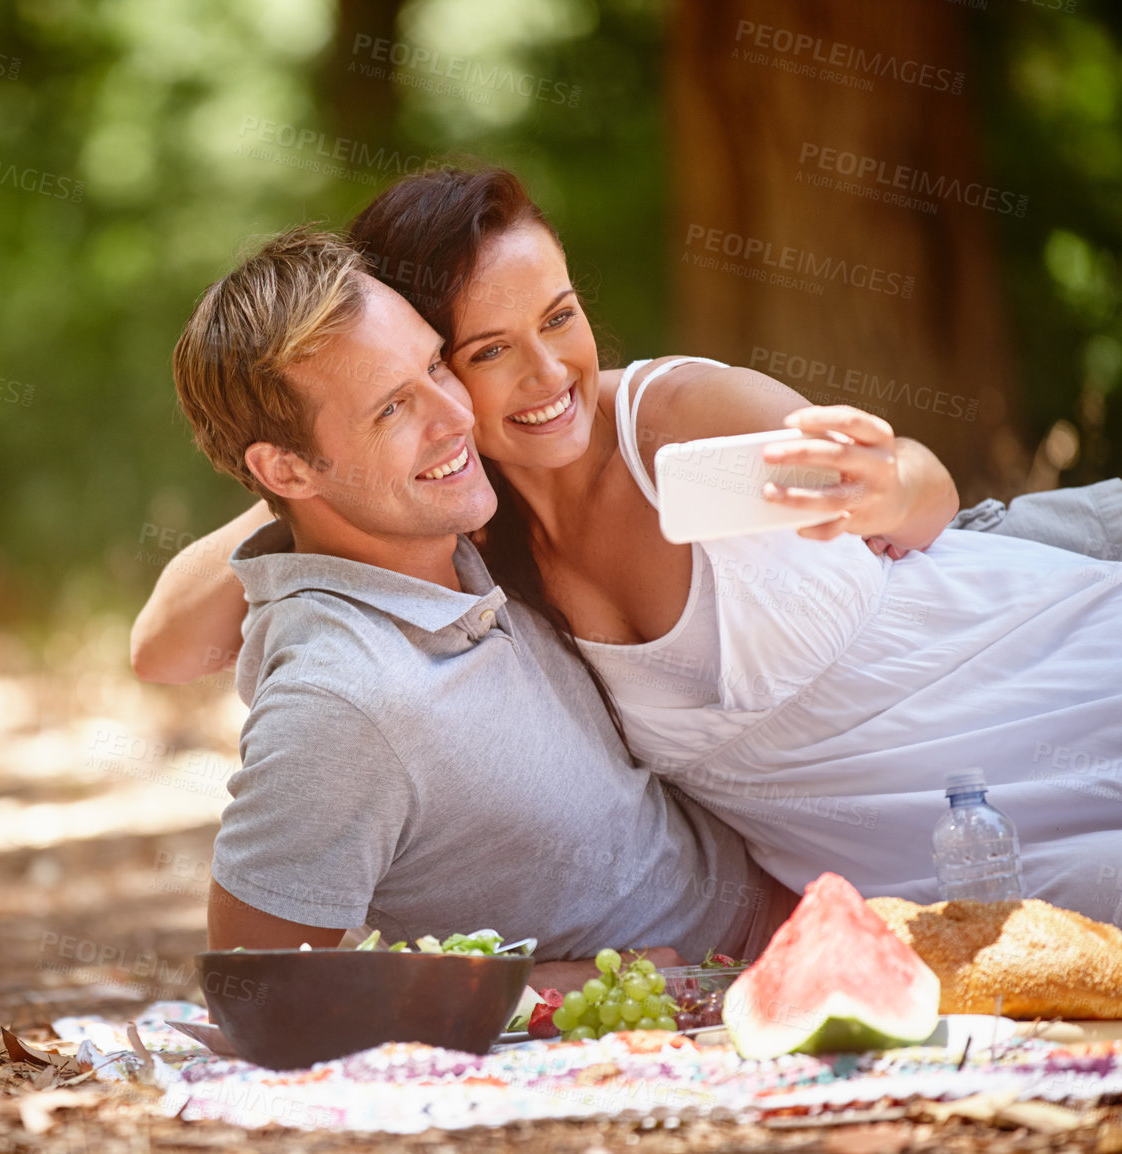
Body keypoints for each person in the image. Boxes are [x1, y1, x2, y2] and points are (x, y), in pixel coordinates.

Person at [138, 167, 1122, 924]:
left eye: (559, 315)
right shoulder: (476, 534)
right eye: (482, 352)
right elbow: (162, 647)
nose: (548, 369)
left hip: (1034, 676)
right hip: (926, 849)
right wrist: (314, 464)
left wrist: (886, 479)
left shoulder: (676, 425)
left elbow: (925, 498)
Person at [168, 227, 794, 988]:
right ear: (287, 468)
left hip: (812, 907)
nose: (457, 416)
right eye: (393, 407)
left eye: (436, 364)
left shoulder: (461, 531)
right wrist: (536, 990)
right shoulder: (341, 700)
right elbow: (253, 989)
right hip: (712, 1006)